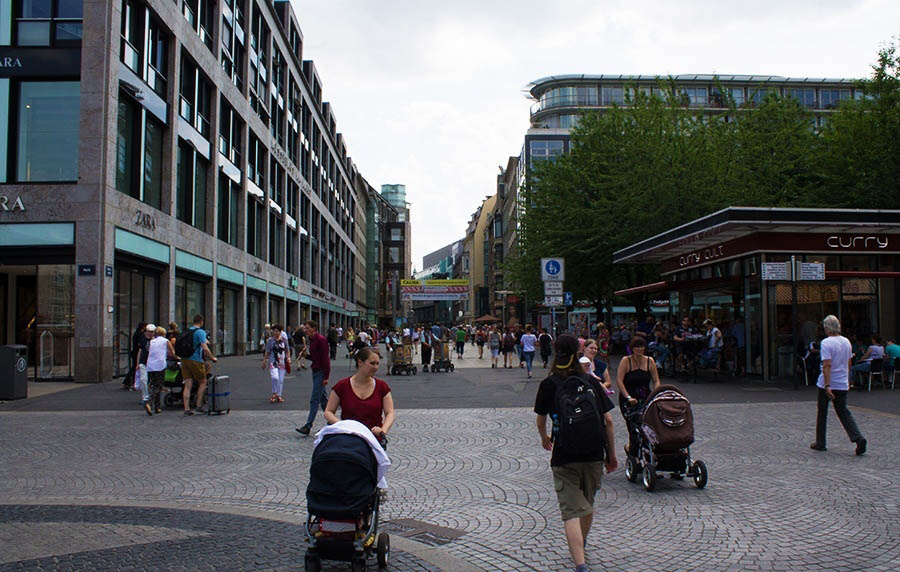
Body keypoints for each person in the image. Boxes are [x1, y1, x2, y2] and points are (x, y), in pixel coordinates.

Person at [534, 334, 617, 572]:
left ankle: (580, 564)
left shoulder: (548, 384)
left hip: (564, 454)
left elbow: (540, 420)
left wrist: (544, 437)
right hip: (593, 453)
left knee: (571, 510)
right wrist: (611, 456)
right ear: (576, 353)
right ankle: (582, 543)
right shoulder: (590, 380)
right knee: (587, 505)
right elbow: (609, 421)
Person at [811, 315, 867, 455]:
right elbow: (848, 363)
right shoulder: (846, 342)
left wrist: (827, 385)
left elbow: (827, 365)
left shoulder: (826, 343)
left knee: (822, 411)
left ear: (826, 328)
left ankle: (821, 442)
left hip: (828, 382)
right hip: (842, 381)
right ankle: (857, 437)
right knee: (843, 411)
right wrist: (848, 379)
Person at [325, 347, 395, 448]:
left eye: (377, 364)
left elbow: (390, 413)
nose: (375, 367)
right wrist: (341, 426)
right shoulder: (342, 385)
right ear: (360, 362)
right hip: (349, 440)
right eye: (372, 363)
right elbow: (328, 411)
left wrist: (383, 430)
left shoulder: (382, 387)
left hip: (374, 440)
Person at [615, 337, 661, 455]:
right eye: (637, 347)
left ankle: (645, 451)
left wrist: (655, 393)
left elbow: (656, 380)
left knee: (648, 425)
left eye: (642, 347)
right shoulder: (626, 361)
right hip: (629, 397)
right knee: (633, 427)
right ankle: (633, 450)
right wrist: (628, 397)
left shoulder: (650, 361)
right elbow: (619, 381)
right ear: (632, 348)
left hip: (645, 397)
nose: (639, 349)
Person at [297, 320, 331, 436]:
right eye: (305, 328)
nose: (305, 330)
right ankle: (331, 422)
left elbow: (325, 360)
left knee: (314, 399)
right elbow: (316, 358)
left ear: (314, 328)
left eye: (307, 328)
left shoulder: (321, 340)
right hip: (315, 371)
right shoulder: (311, 340)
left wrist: (326, 376)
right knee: (323, 399)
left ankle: (308, 425)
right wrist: (307, 356)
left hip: (321, 371)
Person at [180, 315, 217, 415]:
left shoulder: (187, 331)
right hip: (195, 360)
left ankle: (186, 408)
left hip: (184, 359)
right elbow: (204, 348)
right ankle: (198, 405)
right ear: (201, 322)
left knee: (188, 384)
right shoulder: (200, 332)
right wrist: (212, 358)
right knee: (203, 382)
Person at [145, 326, 175, 415]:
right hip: (160, 365)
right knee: (158, 386)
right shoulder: (166, 341)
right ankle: (148, 402)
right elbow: (172, 353)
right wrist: (175, 357)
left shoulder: (152, 341)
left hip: (150, 365)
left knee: (153, 384)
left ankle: (157, 407)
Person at [263, 324, 290, 403]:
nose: (275, 333)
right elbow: (267, 352)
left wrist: (288, 358)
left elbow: (287, 350)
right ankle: (274, 393)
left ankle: (279, 395)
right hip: (273, 361)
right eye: (274, 331)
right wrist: (265, 361)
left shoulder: (284, 340)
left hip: (282, 362)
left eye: (277, 331)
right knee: (275, 377)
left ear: (280, 332)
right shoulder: (270, 341)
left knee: (281, 380)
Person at [134, 324, 155, 407]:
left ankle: (151, 396)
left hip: (152, 363)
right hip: (144, 362)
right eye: (149, 332)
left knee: (152, 380)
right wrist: (137, 363)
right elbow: (140, 352)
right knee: (143, 379)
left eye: (152, 332)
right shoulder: (143, 340)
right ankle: (145, 397)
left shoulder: (156, 341)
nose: (150, 334)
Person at [122, 322, 147, 390]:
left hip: (135, 352)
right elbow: (140, 344)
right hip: (137, 352)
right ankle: (130, 382)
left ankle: (128, 382)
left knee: (134, 367)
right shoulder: (140, 334)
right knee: (135, 368)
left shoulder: (137, 333)